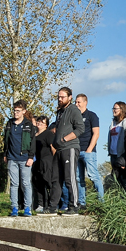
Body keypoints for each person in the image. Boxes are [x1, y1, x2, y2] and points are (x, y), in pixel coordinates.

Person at [50, 87, 84, 217]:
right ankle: (53, 206)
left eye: (62, 97)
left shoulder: (74, 110)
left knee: (69, 177)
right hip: (59, 149)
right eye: (58, 97)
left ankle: (74, 205)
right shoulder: (60, 112)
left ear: (70, 97)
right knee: (56, 179)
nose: (60, 99)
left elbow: (80, 128)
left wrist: (65, 138)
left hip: (69, 147)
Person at [3, 100, 35, 217]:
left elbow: (33, 142)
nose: (15, 113)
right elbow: (6, 140)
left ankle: (27, 208)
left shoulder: (28, 125)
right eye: (14, 110)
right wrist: (5, 154)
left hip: (25, 158)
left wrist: (31, 156)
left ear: (23, 111)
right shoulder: (9, 123)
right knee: (14, 184)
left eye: (18, 111)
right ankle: (14, 208)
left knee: (26, 183)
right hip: (12, 158)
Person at [75, 94, 105, 207]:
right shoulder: (74, 117)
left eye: (79, 102)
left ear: (85, 102)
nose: (77, 104)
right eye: (76, 102)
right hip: (76, 151)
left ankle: (101, 202)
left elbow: (96, 134)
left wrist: (89, 149)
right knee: (79, 178)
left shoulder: (92, 116)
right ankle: (82, 203)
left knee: (94, 176)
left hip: (88, 152)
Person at [32, 116, 56, 214]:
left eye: (42, 122)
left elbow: (53, 148)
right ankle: (40, 204)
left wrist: (55, 161)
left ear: (46, 125)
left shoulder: (48, 134)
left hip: (47, 161)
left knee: (48, 182)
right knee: (38, 183)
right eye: (38, 121)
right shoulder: (34, 135)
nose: (39, 123)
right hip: (36, 162)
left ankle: (51, 205)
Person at [107, 101, 126, 193]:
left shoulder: (124, 122)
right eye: (113, 108)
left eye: (116, 108)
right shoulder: (113, 123)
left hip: (121, 154)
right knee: (116, 178)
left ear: (122, 109)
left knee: (123, 178)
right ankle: (119, 198)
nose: (114, 110)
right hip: (113, 153)